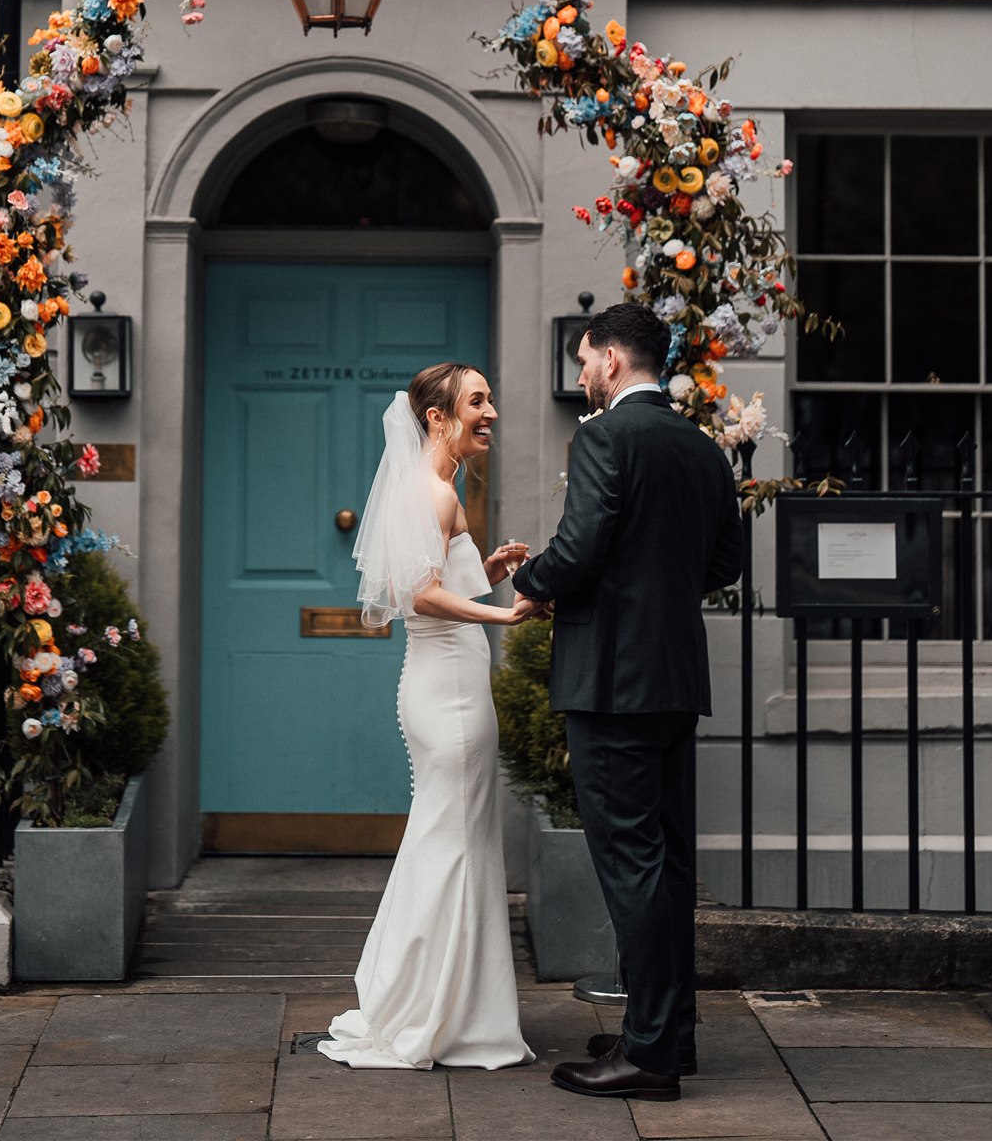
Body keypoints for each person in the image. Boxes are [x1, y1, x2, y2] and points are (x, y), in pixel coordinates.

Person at [512, 302, 744, 1104]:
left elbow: (577, 552)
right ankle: (667, 1031)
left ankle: (648, 1055)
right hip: (674, 679)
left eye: (584, 360)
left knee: (632, 865)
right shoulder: (703, 448)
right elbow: (724, 565)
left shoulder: (606, 435)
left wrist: (528, 582)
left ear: (612, 360)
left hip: (611, 681)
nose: (579, 375)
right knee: (667, 862)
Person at [318, 364, 540, 1071]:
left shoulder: (438, 491)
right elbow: (419, 597)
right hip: (446, 693)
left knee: (456, 841)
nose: (491, 413)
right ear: (437, 418)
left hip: (446, 684)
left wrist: (493, 571)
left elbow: (442, 583)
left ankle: (447, 1005)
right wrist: (504, 612)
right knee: (452, 846)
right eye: (477, 402)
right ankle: (428, 1008)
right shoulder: (433, 492)